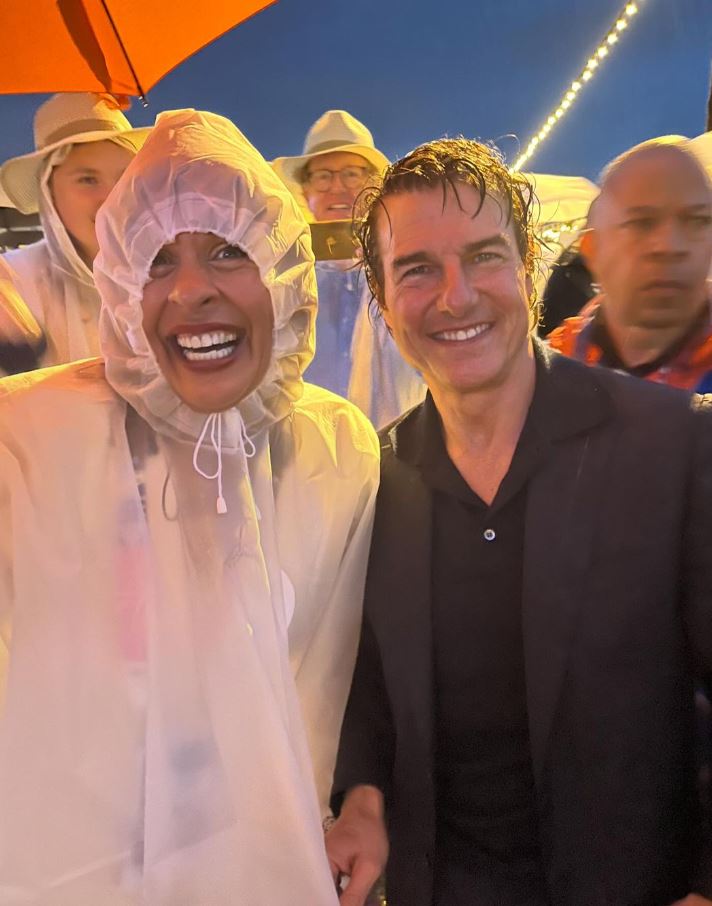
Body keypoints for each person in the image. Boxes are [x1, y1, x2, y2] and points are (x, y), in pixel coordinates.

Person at [0, 109, 379, 904]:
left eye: (229, 251)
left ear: (284, 268)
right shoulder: (29, 438)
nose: (192, 289)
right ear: (119, 282)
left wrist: (363, 799)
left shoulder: (333, 449)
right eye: (157, 260)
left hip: (263, 867)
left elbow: (347, 671)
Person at [325, 137, 712, 906]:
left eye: (484, 257)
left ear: (529, 267)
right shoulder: (377, 476)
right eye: (417, 269)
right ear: (381, 297)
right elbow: (368, 675)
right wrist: (362, 791)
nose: (456, 295)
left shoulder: (675, 447)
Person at [273, 110, 424, 426]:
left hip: (405, 458)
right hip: (311, 461)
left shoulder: (411, 266)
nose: (337, 187)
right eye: (323, 176)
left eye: (352, 174)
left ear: (373, 185)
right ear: (306, 191)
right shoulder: (282, 277)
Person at [0, 92, 150, 371]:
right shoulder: (14, 282)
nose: (110, 197)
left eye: (124, 177)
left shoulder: (179, 270)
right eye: (87, 179)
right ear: (50, 193)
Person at [548, 139, 712, 390]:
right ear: (593, 250)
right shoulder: (551, 373)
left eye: (695, 221)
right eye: (642, 223)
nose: (670, 246)